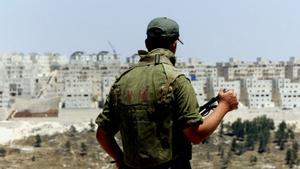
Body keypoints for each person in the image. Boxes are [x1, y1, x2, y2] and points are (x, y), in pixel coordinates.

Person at [95, 17, 238, 169]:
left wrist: (120, 160)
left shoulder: (122, 82)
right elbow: (196, 135)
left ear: (147, 44)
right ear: (174, 45)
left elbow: (102, 135)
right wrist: (224, 105)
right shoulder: (176, 80)